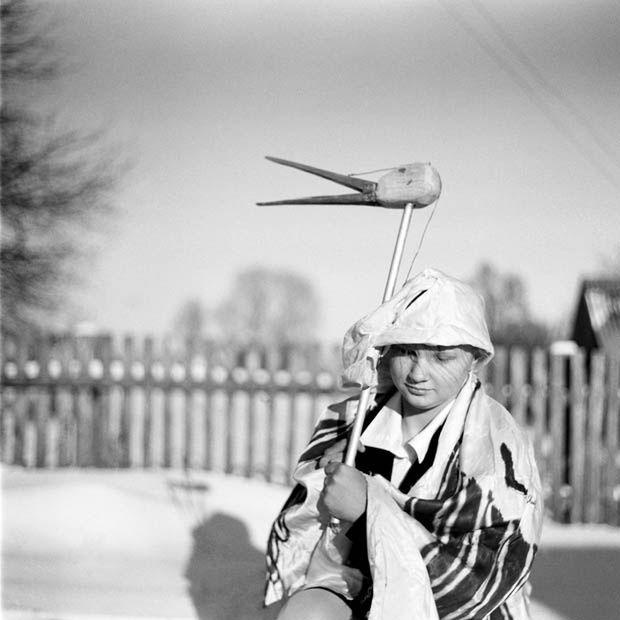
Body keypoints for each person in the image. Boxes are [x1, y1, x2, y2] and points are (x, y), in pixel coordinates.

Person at [264, 268, 543, 620]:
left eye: (442, 357)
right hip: (361, 585)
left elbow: (478, 576)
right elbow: (306, 533)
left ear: (474, 358)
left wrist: (369, 510)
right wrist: (325, 477)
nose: (417, 373)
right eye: (407, 351)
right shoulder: (359, 417)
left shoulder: (494, 448)